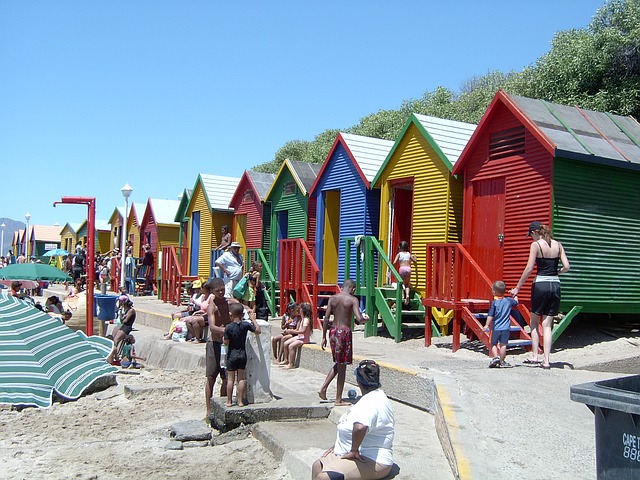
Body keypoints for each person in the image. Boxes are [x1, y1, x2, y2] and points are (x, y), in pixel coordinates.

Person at [312, 360, 395, 480]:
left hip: (371, 459)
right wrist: (338, 445)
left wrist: (354, 450)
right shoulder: (375, 396)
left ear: (358, 381)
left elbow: (360, 427)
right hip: (353, 452)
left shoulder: (370, 402)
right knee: (317, 466)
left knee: (323, 478)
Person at [510, 221, 570, 370]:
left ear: (534, 233)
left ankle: (535, 355)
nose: (531, 238)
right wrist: (557, 272)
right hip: (555, 285)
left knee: (534, 322)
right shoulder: (558, 245)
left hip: (541, 284)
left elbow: (529, 268)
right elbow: (567, 267)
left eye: (530, 235)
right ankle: (547, 360)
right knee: (547, 325)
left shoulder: (536, 245)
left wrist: (517, 287)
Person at [318, 279, 370, 406]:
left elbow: (326, 319)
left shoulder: (332, 298)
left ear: (342, 287)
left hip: (333, 332)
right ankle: (338, 399)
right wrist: (366, 319)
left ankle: (323, 388)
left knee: (339, 362)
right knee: (342, 367)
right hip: (344, 333)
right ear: (353, 289)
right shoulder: (353, 300)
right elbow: (359, 318)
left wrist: (323, 336)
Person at [204, 277, 243, 417]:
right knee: (211, 378)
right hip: (214, 344)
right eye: (218, 291)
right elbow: (213, 327)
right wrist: (228, 329)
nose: (221, 292)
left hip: (226, 345)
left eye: (222, 290)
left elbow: (240, 306)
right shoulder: (212, 306)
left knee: (227, 378)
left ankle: (222, 406)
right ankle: (209, 409)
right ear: (212, 291)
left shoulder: (229, 303)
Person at [223, 302, 261, 407]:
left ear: (230, 314)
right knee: (241, 378)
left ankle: (229, 401)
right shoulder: (245, 325)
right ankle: (240, 401)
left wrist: (224, 339)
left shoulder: (228, 327)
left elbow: (226, 342)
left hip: (232, 354)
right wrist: (253, 320)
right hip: (242, 354)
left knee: (231, 379)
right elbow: (258, 331)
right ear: (242, 314)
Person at [484, 281, 518, 368]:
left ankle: (496, 357)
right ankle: (502, 361)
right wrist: (514, 295)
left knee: (493, 343)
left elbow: (490, 315)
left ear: (494, 292)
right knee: (503, 345)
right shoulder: (508, 300)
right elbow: (516, 302)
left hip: (496, 327)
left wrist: (486, 325)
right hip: (506, 328)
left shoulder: (494, 303)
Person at [281, 301, 313, 369]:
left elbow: (303, 331)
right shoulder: (303, 318)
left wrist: (292, 331)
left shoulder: (306, 320)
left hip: (304, 338)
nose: (299, 310)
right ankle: (286, 360)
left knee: (291, 346)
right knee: (286, 343)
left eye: (300, 309)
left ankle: (291, 364)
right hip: (300, 337)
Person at [108, 298, 136, 363]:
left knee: (116, 340)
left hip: (127, 327)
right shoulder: (127, 310)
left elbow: (125, 321)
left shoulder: (131, 311)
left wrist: (124, 318)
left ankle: (115, 356)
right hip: (123, 326)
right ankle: (113, 355)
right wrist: (120, 312)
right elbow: (121, 320)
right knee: (113, 339)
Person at [392, 240, 417, 305]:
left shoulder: (399, 254)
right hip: (408, 269)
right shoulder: (409, 254)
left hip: (402, 269)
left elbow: (394, 262)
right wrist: (415, 257)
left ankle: (403, 295)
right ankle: (407, 295)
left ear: (400, 248)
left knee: (400, 283)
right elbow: (414, 261)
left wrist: (392, 268)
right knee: (407, 284)